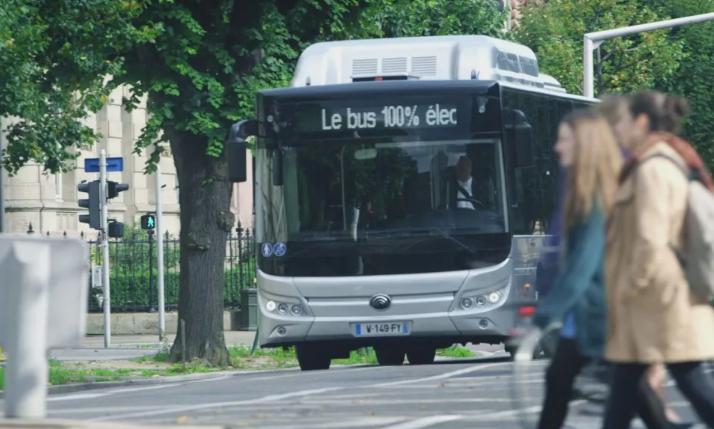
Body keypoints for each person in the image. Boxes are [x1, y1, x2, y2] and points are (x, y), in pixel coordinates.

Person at [603, 91, 714, 429]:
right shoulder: (654, 163)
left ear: (641, 121)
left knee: (690, 381)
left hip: (656, 299)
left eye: (621, 122)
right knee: (626, 391)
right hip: (653, 301)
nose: (616, 129)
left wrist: (625, 289)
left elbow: (650, 240)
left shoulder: (652, 169)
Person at [533, 109, 622, 429]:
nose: (557, 147)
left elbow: (581, 267)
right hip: (588, 317)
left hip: (601, 317)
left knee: (626, 393)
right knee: (559, 382)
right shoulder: (581, 194)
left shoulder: (596, 200)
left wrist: (542, 317)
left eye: (564, 139)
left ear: (585, 145)